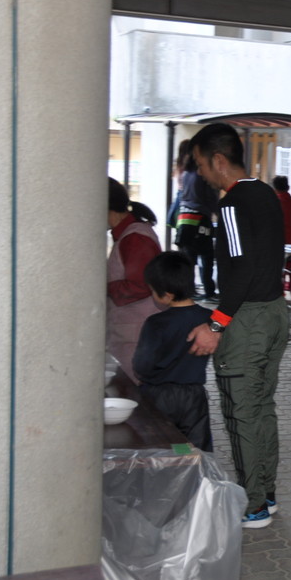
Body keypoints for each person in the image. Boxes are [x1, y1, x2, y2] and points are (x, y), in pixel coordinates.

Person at [186, 122, 289, 529]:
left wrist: (216, 324)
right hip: (275, 313)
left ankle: (253, 505)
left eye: (200, 165)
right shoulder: (265, 193)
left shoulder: (231, 204)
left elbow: (242, 268)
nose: (200, 173)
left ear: (218, 160)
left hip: (247, 321)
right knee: (262, 408)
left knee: (242, 413)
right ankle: (266, 493)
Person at [133, 251, 214, 451]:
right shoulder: (208, 319)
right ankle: (188, 467)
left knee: (160, 443)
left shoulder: (156, 322)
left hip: (158, 394)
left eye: (153, 290)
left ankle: (169, 468)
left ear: (167, 295)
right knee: (193, 445)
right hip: (193, 395)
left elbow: (143, 364)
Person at [107, 178, 163, 382]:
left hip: (137, 334)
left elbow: (139, 285)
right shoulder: (128, 234)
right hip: (132, 333)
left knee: (138, 392)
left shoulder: (135, 237)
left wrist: (102, 287)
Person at [175, 150, 220, 301]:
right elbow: (210, 198)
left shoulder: (185, 174)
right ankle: (209, 291)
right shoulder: (202, 175)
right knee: (207, 257)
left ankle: (189, 290)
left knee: (189, 258)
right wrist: (218, 213)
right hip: (200, 219)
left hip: (184, 219)